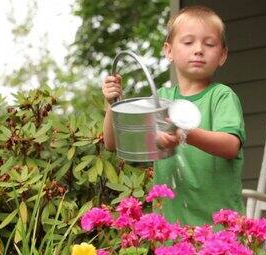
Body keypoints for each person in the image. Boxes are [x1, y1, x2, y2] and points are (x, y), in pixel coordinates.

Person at [101, 6, 246, 225]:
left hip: (219, 227)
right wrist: (112, 105)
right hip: (171, 228)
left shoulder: (221, 96)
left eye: (209, 44)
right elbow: (114, 144)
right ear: (169, 51)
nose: (198, 50)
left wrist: (183, 133)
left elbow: (230, 146)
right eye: (188, 42)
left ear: (222, 55)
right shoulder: (160, 99)